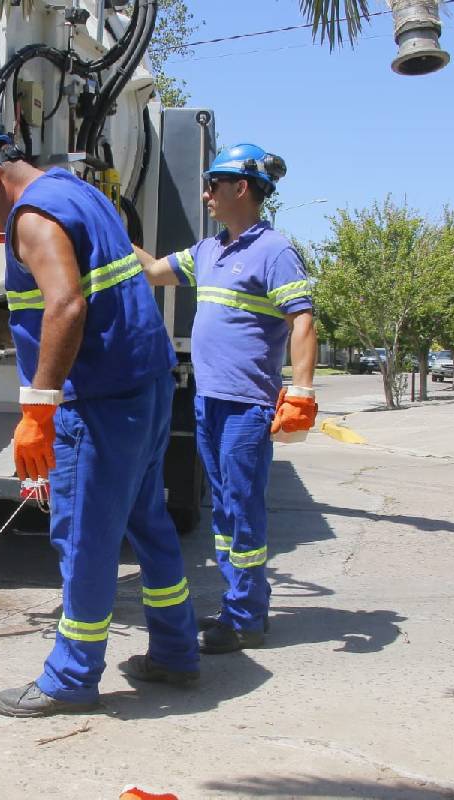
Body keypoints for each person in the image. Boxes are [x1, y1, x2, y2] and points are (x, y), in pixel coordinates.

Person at [0, 118, 200, 717]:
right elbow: (118, 268)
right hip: (148, 381)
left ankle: (71, 677)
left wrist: (37, 407)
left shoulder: (31, 216)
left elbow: (65, 304)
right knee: (148, 521)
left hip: (100, 397)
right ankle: (175, 649)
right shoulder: (77, 189)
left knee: (83, 535)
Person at [135, 143, 319, 654]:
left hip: (246, 405)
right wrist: (108, 230)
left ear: (241, 188)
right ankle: (240, 605)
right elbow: (153, 272)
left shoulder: (274, 251)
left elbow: (301, 319)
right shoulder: (210, 251)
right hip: (209, 399)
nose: (206, 193)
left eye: (213, 184)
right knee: (222, 510)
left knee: (240, 508)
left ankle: (245, 618)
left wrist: (301, 390)